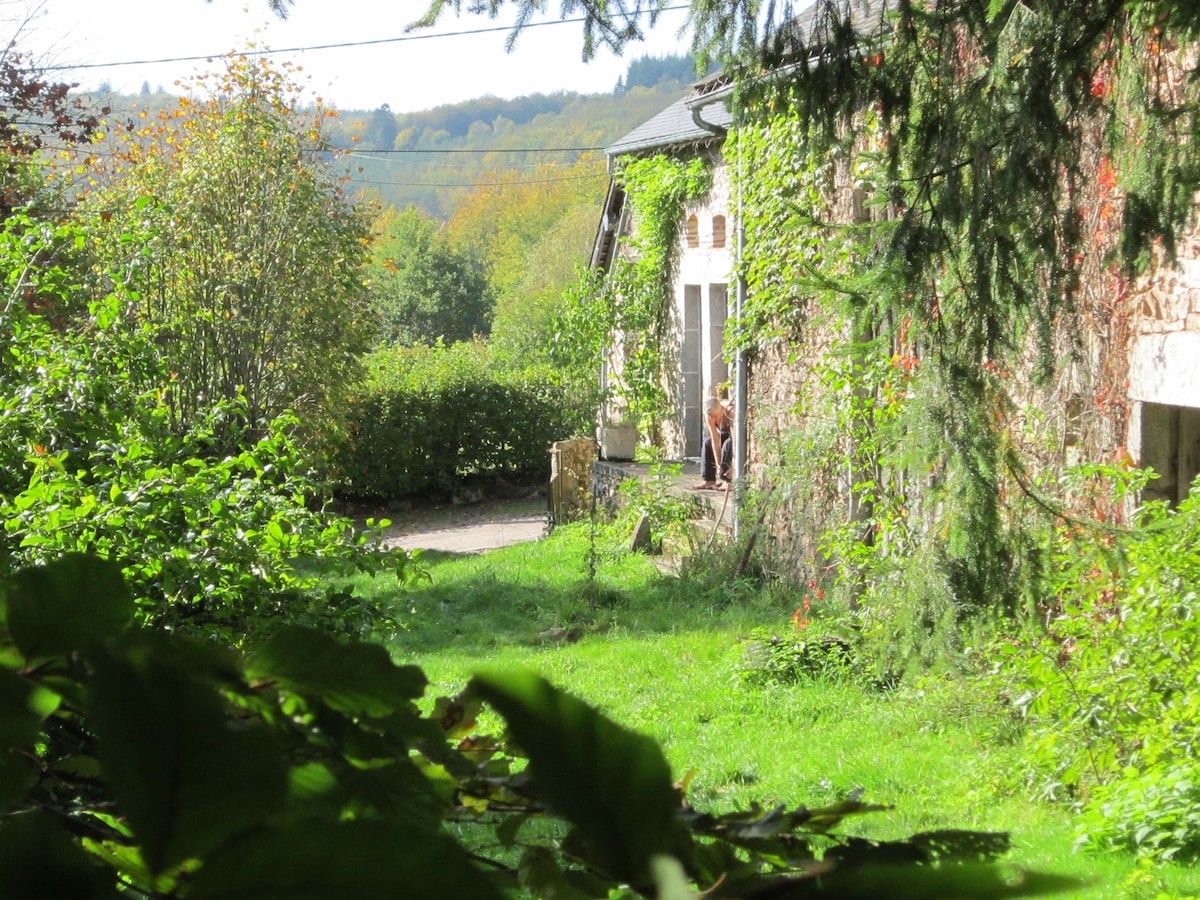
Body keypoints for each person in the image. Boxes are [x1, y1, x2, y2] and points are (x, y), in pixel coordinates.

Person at [695, 396, 733, 491]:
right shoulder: (709, 416)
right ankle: (709, 479)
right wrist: (718, 465)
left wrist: (733, 466)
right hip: (725, 435)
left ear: (721, 409)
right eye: (711, 416)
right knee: (707, 443)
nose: (713, 418)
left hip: (735, 437)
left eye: (715, 416)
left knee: (728, 444)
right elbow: (715, 442)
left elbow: (735, 440)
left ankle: (728, 481)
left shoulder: (730, 412)